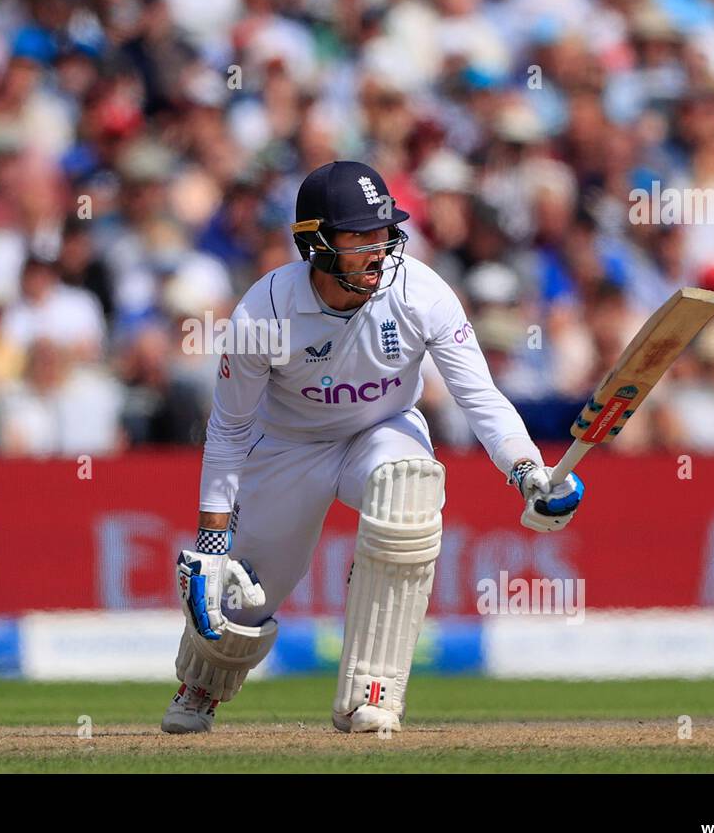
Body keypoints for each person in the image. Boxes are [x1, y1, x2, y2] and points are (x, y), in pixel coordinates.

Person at [163, 161, 586, 735]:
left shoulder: (422, 292)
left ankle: (373, 692)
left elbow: (478, 397)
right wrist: (212, 541)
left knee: (409, 488)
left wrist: (528, 469)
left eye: (383, 232)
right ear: (315, 242)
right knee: (245, 594)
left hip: (383, 429)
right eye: (358, 236)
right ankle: (201, 686)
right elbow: (229, 430)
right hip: (289, 444)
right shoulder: (263, 313)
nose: (378, 249)